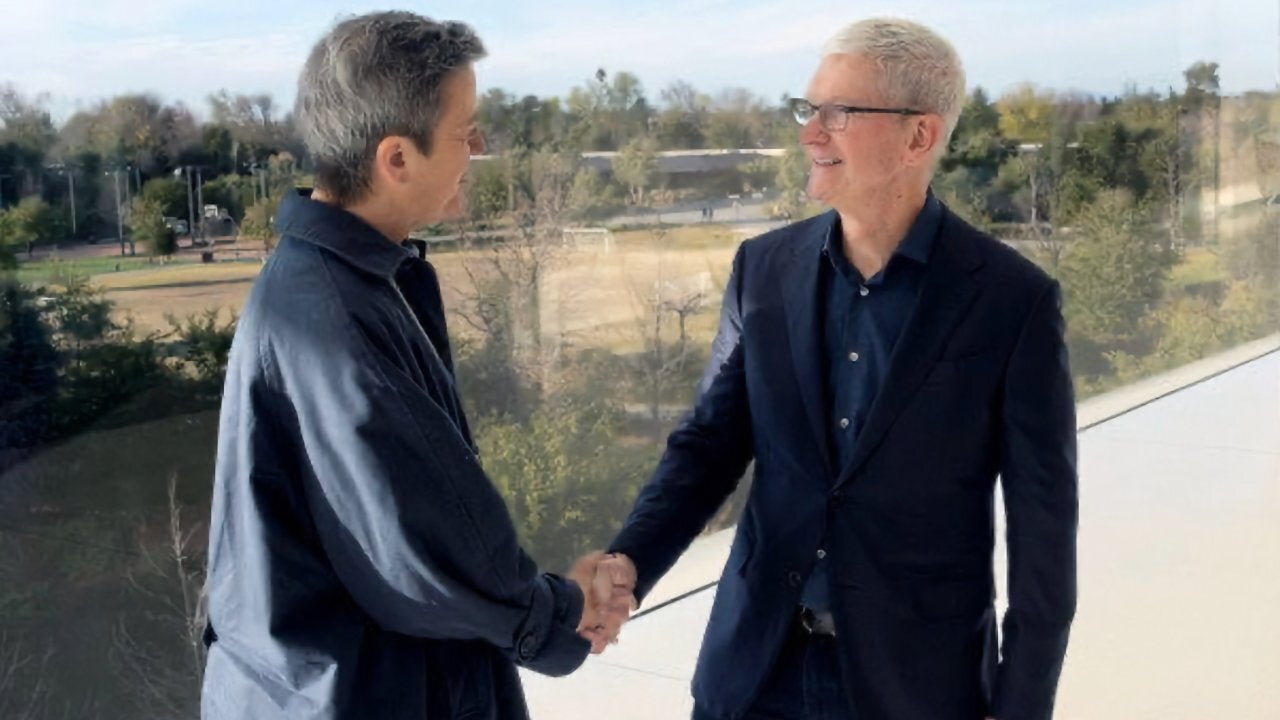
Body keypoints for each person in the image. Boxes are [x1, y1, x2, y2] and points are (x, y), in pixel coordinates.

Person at [596, 17, 1078, 720]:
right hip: (754, 675)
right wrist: (628, 566)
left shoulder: (1014, 301)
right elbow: (707, 449)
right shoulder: (763, 269)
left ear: (920, 135)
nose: (810, 133)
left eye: (839, 113)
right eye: (808, 108)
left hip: (917, 690)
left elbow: (1044, 544)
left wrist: (1020, 708)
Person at [201, 12, 622, 719]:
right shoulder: (334, 316)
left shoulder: (338, 283)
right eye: (465, 131)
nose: (477, 147)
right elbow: (422, 552)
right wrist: (561, 611)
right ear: (396, 158)